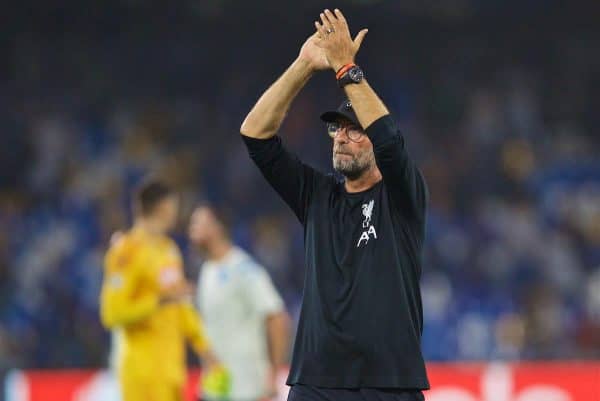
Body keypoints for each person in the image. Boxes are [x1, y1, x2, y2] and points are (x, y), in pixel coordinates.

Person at [240, 9, 429, 401]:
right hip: (315, 383)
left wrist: (346, 67)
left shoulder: (401, 196)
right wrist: (304, 66)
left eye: (355, 129)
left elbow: (392, 143)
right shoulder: (317, 195)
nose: (341, 137)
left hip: (388, 384)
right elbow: (256, 136)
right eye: (336, 128)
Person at [100, 179, 223, 401]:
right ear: (164, 207)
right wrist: (158, 301)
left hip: (172, 372)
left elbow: (179, 303)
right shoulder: (126, 251)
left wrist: (205, 349)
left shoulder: (168, 249)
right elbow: (112, 313)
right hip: (142, 375)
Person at [189, 204, 291, 401]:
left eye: (198, 223)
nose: (191, 229)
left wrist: (274, 372)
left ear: (217, 227)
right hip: (216, 388)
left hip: (247, 387)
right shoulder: (207, 270)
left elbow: (278, 318)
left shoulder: (244, 269)